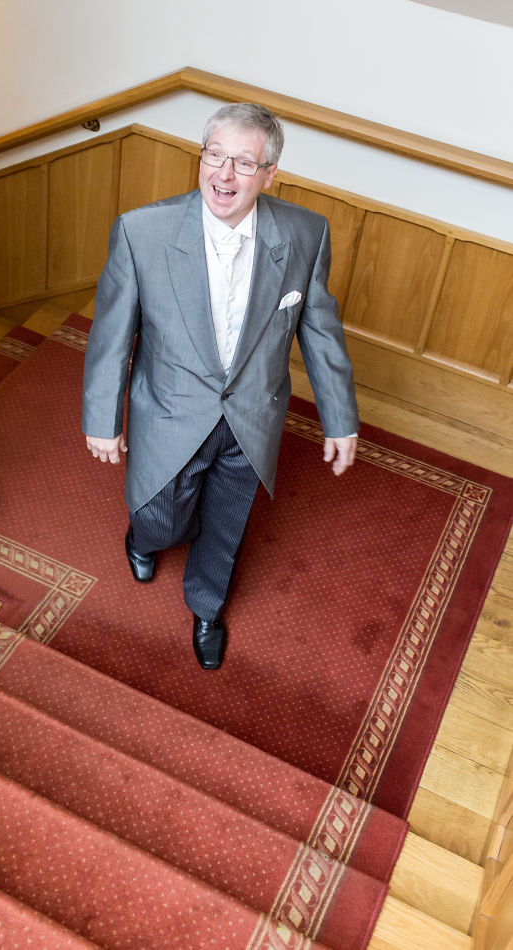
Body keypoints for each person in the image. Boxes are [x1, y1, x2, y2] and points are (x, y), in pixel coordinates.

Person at [82, 103, 358, 670]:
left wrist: (340, 419)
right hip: (170, 409)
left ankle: (206, 607)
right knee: (161, 517)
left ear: (269, 174)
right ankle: (143, 538)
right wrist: (102, 420)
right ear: (202, 156)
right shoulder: (141, 231)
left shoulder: (306, 233)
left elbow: (320, 330)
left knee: (227, 523)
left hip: (253, 414)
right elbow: (111, 336)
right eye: (214, 155)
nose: (224, 174)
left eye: (243, 162)